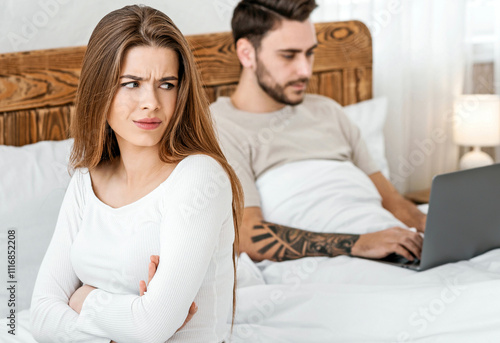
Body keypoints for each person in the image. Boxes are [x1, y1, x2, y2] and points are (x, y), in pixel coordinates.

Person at [30, 5, 243, 343]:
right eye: (132, 84)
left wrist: (84, 300)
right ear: (99, 89)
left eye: (167, 84)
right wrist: (125, 321)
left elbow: (149, 327)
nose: (152, 102)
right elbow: (40, 314)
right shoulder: (86, 181)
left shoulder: (201, 177)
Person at [210, 0, 426, 264]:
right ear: (246, 53)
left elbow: (395, 204)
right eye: (288, 55)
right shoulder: (220, 126)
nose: (305, 70)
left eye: (309, 53)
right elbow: (248, 237)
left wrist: (448, 232)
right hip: (330, 263)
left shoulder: (328, 111)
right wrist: (359, 243)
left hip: (393, 249)